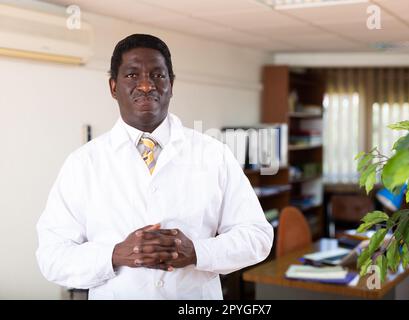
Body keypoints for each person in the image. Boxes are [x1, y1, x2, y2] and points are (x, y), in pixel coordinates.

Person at [36, 34, 273, 300]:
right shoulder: (82, 164)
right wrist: (115, 254)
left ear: (171, 85)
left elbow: (257, 237)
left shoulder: (213, 154)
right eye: (132, 75)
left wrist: (197, 252)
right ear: (113, 87)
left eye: (158, 76)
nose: (147, 85)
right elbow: (51, 256)